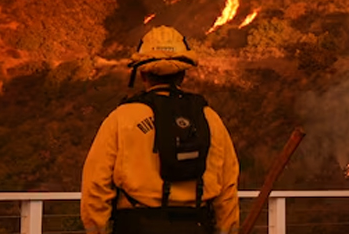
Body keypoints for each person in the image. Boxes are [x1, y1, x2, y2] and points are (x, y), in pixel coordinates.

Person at [81, 26, 240, 234]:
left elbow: (96, 186)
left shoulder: (121, 119)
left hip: (137, 225)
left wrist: (97, 230)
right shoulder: (209, 118)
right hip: (197, 226)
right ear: (182, 74)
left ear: (143, 73)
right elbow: (227, 187)